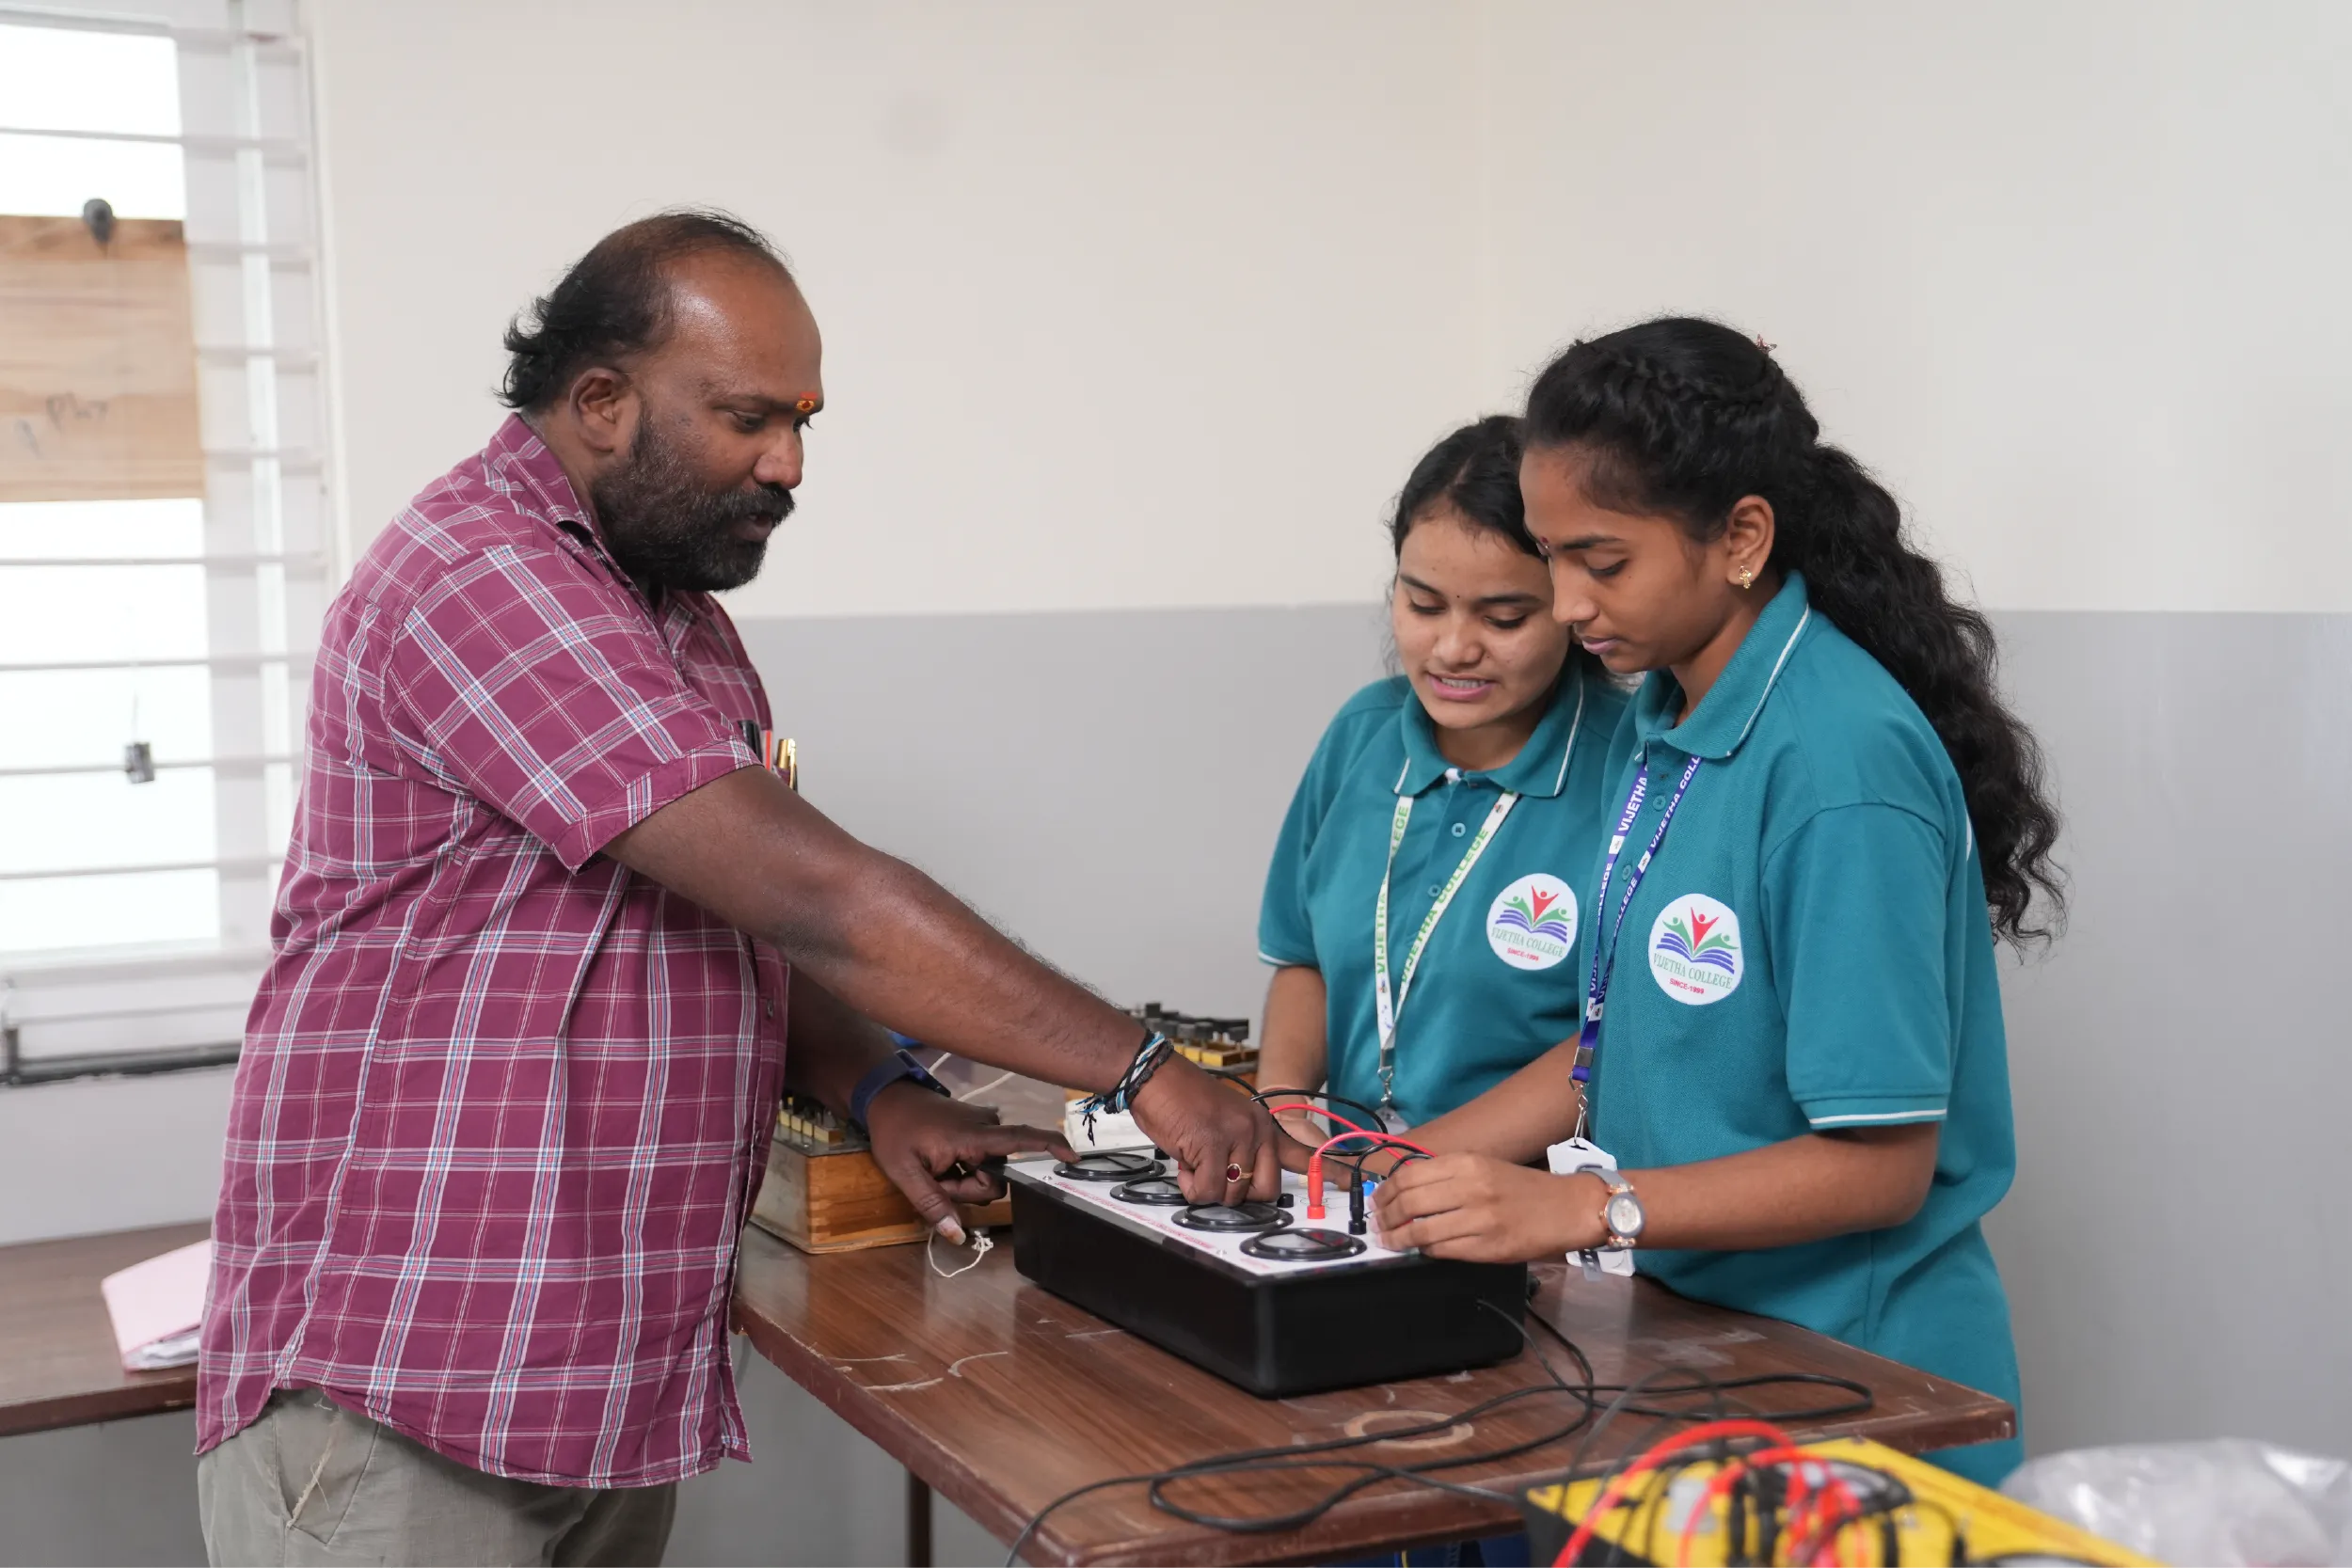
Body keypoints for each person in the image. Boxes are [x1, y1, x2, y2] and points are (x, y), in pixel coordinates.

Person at [194, 210, 1279, 1568]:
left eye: (805, 420)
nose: (790, 463)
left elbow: (735, 914)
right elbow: (822, 894)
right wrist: (1146, 1069)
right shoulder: (483, 576)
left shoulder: (675, 616)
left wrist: (879, 1086)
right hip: (409, 1385)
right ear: (600, 401)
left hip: (588, 1381)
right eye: (750, 418)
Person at [1374, 318, 2062, 1489]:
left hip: (1861, 1382)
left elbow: (1878, 1168)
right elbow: (1631, 1042)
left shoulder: (1841, 767)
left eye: (1603, 560)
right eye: (1550, 557)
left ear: (1740, 535)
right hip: (1699, 1351)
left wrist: (1577, 1207)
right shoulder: (1667, 719)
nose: (1570, 602)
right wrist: (1400, 1174)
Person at [1255, 417, 1629, 1148]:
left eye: (1505, 616)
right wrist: (1284, 1110)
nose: (1454, 648)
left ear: (1570, 605)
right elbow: (1305, 958)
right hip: (1357, 1179)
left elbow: (1615, 1040)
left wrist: (1420, 1163)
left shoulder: (1631, 766)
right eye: (1423, 605)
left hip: (1531, 1203)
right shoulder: (1363, 734)